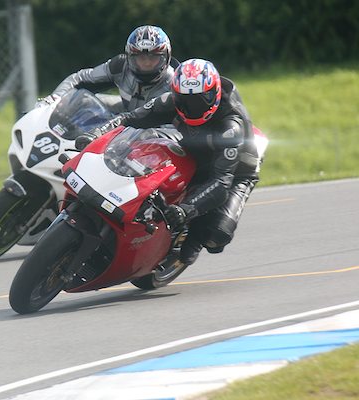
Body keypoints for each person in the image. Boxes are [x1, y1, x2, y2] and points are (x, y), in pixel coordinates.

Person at [110, 58, 265, 270]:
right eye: (186, 99)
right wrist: (97, 134)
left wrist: (185, 210)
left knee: (218, 234)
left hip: (236, 170)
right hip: (195, 150)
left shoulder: (231, 126)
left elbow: (221, 184)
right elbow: (129, 118)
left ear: (214, 93)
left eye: (201, 99)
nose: (193, 106)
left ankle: (193, 239)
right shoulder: (170, 101)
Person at [37, 25, 175, 113]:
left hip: (156, 133)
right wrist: (54, 100)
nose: (147, 63)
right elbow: (79, 78)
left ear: (166, 57)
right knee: (83, 102)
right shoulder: (120, 66)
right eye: (140, 58)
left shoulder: (175, 80)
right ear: (129, 56)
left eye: (153, 57)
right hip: (126, 116)